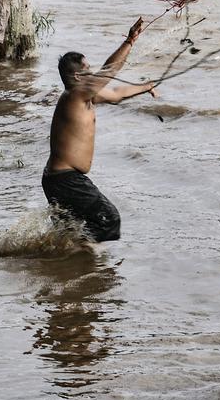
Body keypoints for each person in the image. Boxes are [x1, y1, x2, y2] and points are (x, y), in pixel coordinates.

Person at [43, 18, 158, 242]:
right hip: (65, 180)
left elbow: (116, 94)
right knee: (110, 219)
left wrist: (146, 87)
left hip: (58, 178)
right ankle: (84, 261)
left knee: (70, 233)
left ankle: (61, 261)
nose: (93, 73)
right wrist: (130, 41)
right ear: (77, 77)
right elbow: (108, 71)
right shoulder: (74, 95)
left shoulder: (84, 97)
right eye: (88, 70)